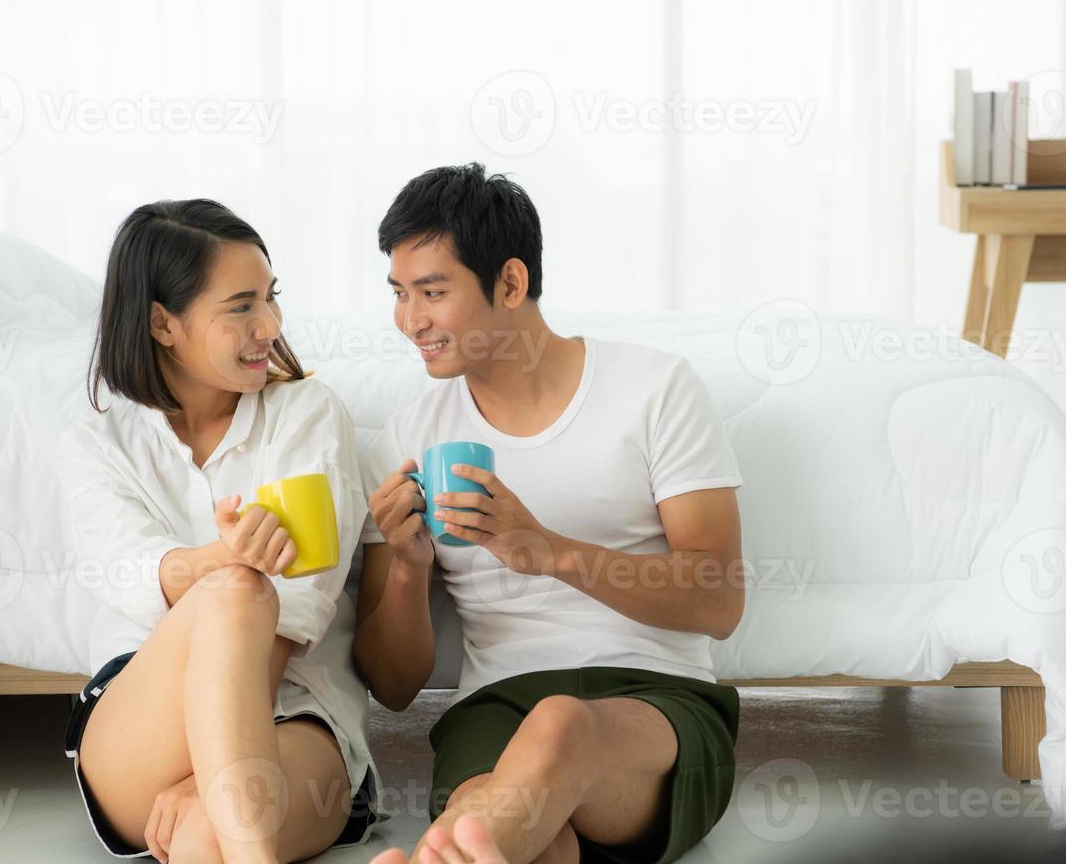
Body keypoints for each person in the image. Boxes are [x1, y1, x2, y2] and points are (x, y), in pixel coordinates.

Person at [355, 164, 746, 863]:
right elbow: (391, 684)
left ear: (509, 283)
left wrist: (550, 553)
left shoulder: (655, 389)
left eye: (433, 292)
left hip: (655, 700)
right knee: (536, 845)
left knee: (560, 728)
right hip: (496, 706)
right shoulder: (411, 436)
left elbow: (718, 598)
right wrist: (409, 573)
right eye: (400, 293)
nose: (411, 320)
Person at [56, 199, 382, 863]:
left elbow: (301, 608)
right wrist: (224, 562)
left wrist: (218, 779)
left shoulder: (306, 414)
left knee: (211, 833)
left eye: (272, 297)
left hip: (297, 715)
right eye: (240, 307)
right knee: (238, 592)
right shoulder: (96, 447)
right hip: (142, 722)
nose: (270, 325)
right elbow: (129, 572)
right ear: (161, 323)